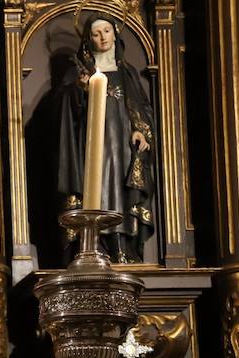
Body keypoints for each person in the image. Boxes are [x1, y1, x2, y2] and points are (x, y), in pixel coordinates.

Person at [56, 15, 156, 262]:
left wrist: (139, 130)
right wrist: (79, 91)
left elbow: (142, 107)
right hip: (92, 147)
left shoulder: (127, 73)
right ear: (89, 39)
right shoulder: (80, 72)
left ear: (115, 34)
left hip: (122, 146)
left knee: (121, 194)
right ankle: (95, 247)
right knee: (97, 192)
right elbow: (69, 113)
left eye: (107, 31)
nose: (102, 37)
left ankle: (122, 248)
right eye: (96, 33)